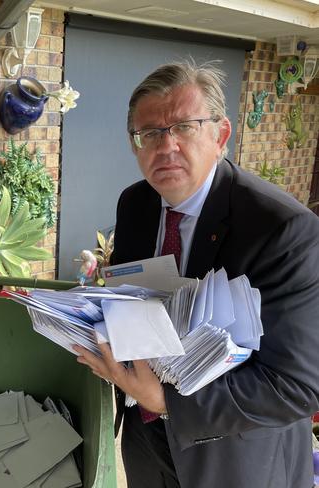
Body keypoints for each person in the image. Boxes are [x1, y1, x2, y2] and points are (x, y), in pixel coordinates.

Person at [74, 61, 319, 488]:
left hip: (235, 455)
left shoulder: (281, 229)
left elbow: (295, 386)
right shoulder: (135, 204)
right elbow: (138, 300)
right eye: (148, 133)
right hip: (146, 438)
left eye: (183, 127)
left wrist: (166, 401)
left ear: (220, 135)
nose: (165, 146)